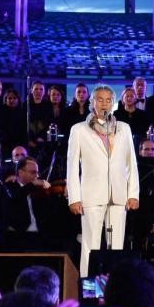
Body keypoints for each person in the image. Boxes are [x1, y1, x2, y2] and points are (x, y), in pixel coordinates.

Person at [64, 84, 140, 275]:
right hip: (91, 194)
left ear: (113, 103)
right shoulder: (79, 130)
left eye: (108, 100)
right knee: (90, 245)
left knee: (116, 247)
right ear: (92, 102)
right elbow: (72, 166)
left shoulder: (124, 128)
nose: (104, 103)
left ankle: (115, 286)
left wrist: (133, 194)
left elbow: (131, 163)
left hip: (119, 195)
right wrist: (74, 197)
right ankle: (87, 287)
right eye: (100, 99)